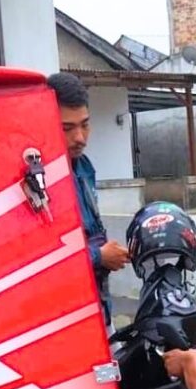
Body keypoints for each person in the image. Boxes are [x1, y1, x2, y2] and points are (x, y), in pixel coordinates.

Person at [47, 72, 129, 326]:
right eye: (67, 128)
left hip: (99, 305)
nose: (80, 137)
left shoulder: (83, 167)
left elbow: (88, 232)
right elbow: (40, 257)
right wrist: (98, 256)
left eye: (85, 124)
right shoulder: (35, 180)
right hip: (63, 316)